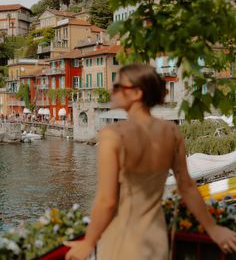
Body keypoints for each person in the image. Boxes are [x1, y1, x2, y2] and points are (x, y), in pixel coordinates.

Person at [65, 64, 236, 260]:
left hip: (122, 240)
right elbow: (187, 187)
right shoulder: (172, 132)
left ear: (137, 93)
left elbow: (107, 201)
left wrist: (88, 242)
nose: (112, 92)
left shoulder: (112, 135)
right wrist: (213, 229)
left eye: (118, 87)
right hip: (156, 239)